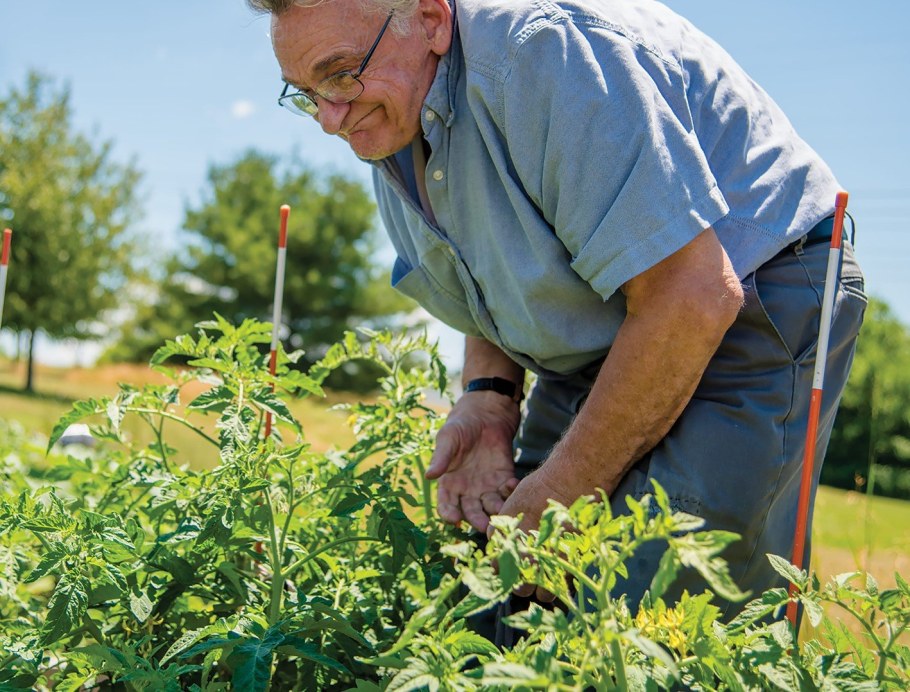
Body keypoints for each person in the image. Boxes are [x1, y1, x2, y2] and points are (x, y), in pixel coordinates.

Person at [251, 0, 866, 635]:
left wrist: (567, 488)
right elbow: (495, 271)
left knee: (654, 612)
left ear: (432, 19)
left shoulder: (541, 58)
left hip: (747, 286)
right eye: (305, 94)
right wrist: (488, 403)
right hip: (616, 315)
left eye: (341, 74)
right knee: (507, 601)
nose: (328, 118)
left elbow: (693, 293)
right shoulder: (394, 116)